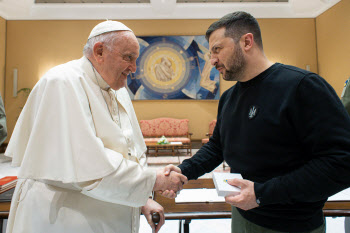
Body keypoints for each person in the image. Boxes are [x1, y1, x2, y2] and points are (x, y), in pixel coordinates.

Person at [162, 11, 350, 233]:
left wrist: (262, 194)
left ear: (247, 42)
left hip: (292, 225)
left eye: (217, 49)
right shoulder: (229, 97)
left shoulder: (302, 87)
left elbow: (342, 163)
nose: (212, 60)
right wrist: (184, 170)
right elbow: (217, 146)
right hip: (242, 217)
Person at [4, 21, 187, 233]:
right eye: (128, 57)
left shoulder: (117, 89)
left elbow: (128, 151)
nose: (134, 68)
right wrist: (154, 180)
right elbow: (88, 169)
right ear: (99, 51)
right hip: (64, 218)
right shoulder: (63, 82)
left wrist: (143, 199)